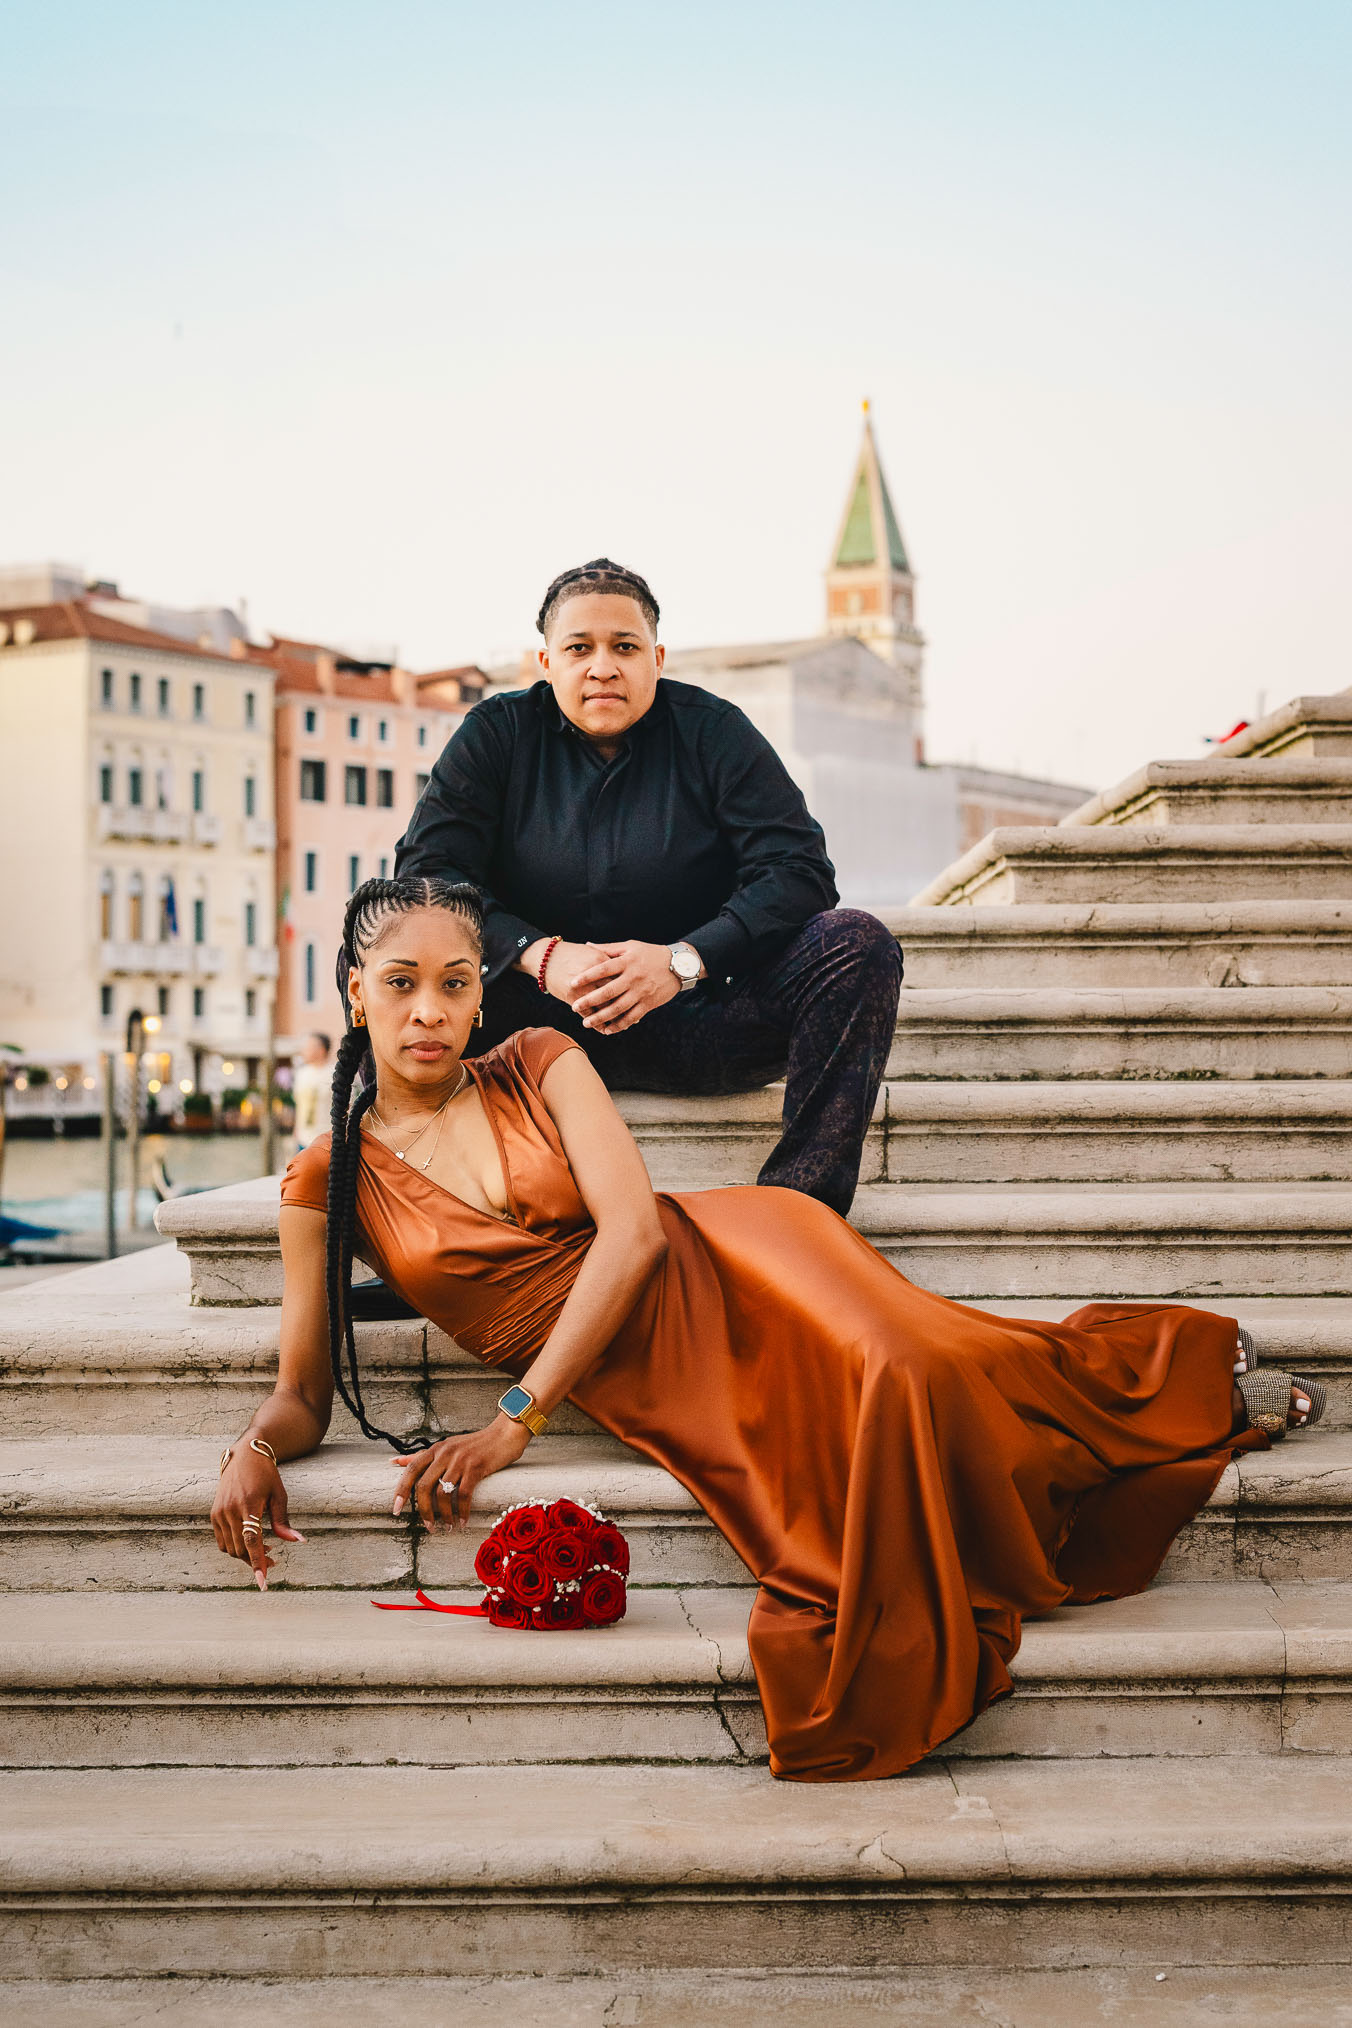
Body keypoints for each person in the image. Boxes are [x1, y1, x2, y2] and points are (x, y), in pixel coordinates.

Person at [213, 879, 1325, 1784]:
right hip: (656, 1379)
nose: (428, 1011)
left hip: (736, 1252)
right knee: (880, 1440)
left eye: (455, 984)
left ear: (480, 998)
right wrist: (257, 1451)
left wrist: (514, 1418)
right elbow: (304, 1389)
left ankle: (1174, 1374)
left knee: (918, 1360)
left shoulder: (541, 1061)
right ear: (354, 992)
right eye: (401, 985)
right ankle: (1163, 1392)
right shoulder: (327, 1180)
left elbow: (637, 1234)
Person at [393, 558, 902, 1219]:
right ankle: (413, 1216)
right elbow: (428, 875)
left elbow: (800, 872)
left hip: (696, 1020)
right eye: (579, 648)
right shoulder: (496, 734)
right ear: (545, 662)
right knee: (385, 949)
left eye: (624, 647)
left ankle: (798, 1215)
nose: (602, 667)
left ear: (656, 658)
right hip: (529, 1029)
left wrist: (680, 961)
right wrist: (543, 955)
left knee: (858, 945)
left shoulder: (715, 731)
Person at [290, 1032, 333, 1151]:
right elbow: (299, 1105)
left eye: (309, 1047)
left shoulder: (335, 1074)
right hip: (303, 1139)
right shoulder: (301, 1074)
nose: (304, 1050)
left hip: (327, 1139)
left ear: (322, 1049)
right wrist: (296, 1131)